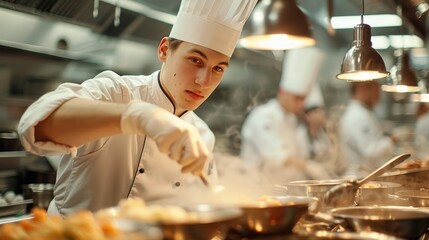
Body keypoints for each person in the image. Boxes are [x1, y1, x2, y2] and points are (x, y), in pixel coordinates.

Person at [17, 0, 257, 216]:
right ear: (164, 50)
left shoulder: (202, 136)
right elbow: (35, 125)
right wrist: (136, 116)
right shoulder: (116, 92)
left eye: (218, 69)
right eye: (195, 60)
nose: (203, 81)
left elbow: (203, 207)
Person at [240, 47, 328, 184]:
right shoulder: (263, 116)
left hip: (285, 188)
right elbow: (277, 156)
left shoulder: (292, 119)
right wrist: (308, 166)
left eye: (303, 99)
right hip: (258, 188)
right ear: (282, 92)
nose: (301, 104)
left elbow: (301, 153)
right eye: (297, 98)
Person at [339, 80, 396, 178]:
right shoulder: (357, 115)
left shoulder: (363, 112)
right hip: (359, 178)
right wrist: (392, 140)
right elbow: (370, 151)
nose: (379, 97)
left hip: (367, 175)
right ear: (362, 89)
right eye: (376, 92)